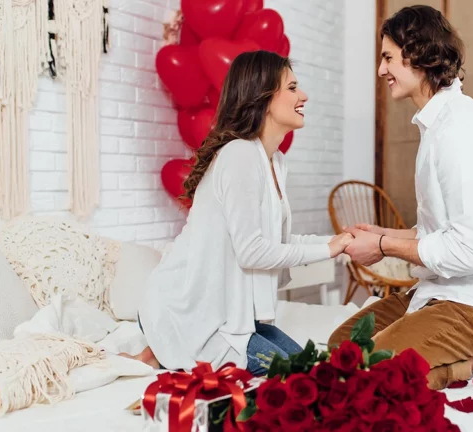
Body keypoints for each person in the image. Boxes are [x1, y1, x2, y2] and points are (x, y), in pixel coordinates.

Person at [329, 5, 473, 390]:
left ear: (419, 54)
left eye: (388, 57)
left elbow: (470, 252)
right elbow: (439, 232)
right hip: (440, 291)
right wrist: (382, 235)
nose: (381, 70)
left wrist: (384, 246)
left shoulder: (461, 132)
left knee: (374, 374)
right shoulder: (437, 127)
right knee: (342, 350)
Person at [129, 51, 354, 374]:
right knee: (298, 374)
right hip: (186, 310)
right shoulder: (240, 155)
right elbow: (252, 252)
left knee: (311, 366)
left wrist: (340, 241)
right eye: (292, 88)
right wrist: (330, 248)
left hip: (230, 313)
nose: (303, 95)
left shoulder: (275, 161)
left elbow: (279, 242)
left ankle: (159, 350)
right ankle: (167, 343)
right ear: (262, 97)